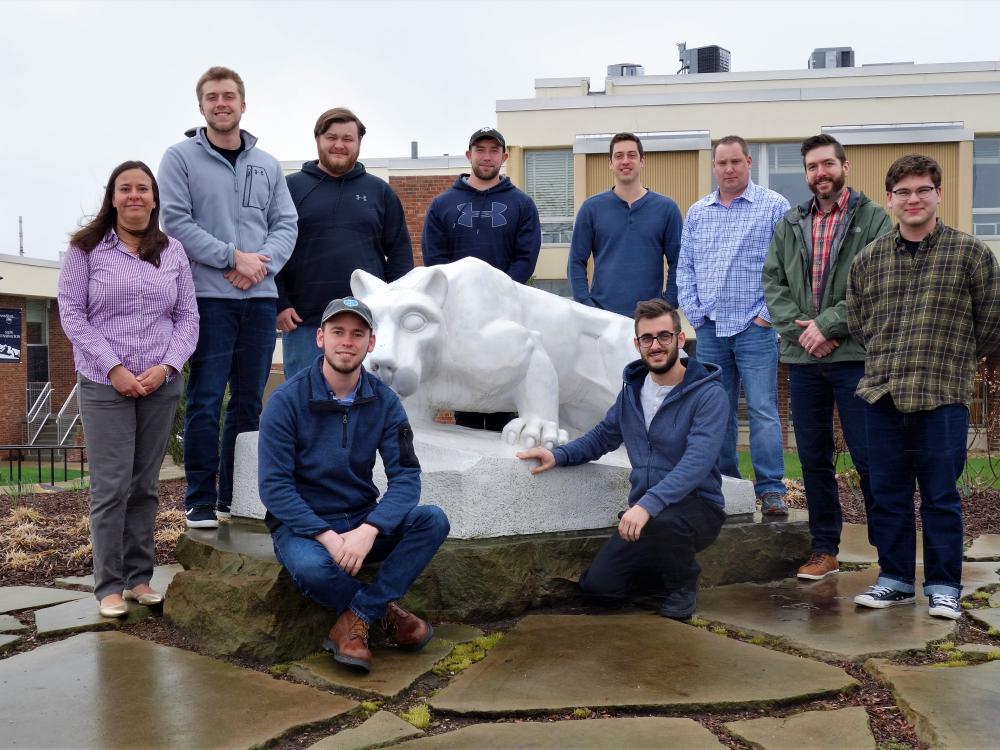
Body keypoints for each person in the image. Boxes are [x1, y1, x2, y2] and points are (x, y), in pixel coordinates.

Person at [259, 297, 449, 672]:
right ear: (320, 338)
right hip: (303, 528)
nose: (347, 341)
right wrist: (327, 536)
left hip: (361, 517)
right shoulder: (286, 402)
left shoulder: (385, 401)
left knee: (433, 521)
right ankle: (385, 614)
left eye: (357, 334)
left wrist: (370, 529)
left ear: (371, 343)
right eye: (338, 332)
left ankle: (356, 618)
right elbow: (275, 488)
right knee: (313, 568)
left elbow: (407, 477)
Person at [848, 154, 1000, 619]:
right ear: (890, 200)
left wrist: (949, 357)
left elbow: (991, 324)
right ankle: (894, 579)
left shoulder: (970, 254)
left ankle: (943, 586)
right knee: (888, 494)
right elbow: (858, 324)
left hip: (942, 396)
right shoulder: (869, 260)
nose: (913, 200)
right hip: (883, 395)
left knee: (940, 496)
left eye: (922, 190)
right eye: (903, 192)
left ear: (937, 194)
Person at [518, 299, 727, 620]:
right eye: (647, 338)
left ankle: (683, 581)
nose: (655, 345)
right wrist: (557, 454)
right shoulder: (632, 391)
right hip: (648, 511)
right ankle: (660, 570)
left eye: (664, 336)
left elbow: (696, 463)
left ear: (680, 339)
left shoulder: (708, 394)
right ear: (637, 344)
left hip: (696, 507)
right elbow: (602, 437)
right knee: (599, 588)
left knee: (666, 522)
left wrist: (645, 506)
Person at [158, 65, 298, 529]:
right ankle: (200, 498)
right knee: (205, 398)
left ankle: (237, 496)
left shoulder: (268, 164)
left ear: (243, 103)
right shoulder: (179, 158)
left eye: (229, 96)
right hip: (208, 298)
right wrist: (231, 258)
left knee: (249, 403)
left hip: (259, 300)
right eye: (212, 97)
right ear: (201, 106)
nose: (222, 103)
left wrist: (260, 264)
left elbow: (286, 224)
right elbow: (175, 222)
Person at [57, 161, 199, 617]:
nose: (134, 196)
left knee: (145, 486)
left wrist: (168, 366)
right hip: (104, 384)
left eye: (143, 188)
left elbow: (188, 318)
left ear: (155, 198)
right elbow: (73, 315)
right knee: (111, 487)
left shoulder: (172, 250)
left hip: (160, 384)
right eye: (125, 189)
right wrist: (114, 367)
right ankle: (109, 587)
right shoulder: (85, 250)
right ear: (112, 197)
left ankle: (140, 578)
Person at [762, 134, 891, 580]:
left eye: (827, 165)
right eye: (812, 167)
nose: (821, 174)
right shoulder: (791, 222)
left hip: (855, 356)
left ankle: (889, 552)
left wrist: (827, 327)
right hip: (803, 361)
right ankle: (824, 549)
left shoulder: (873, 220)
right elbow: (773, 285)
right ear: (807, 173)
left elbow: (877, 286)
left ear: (844, 167)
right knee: (813, 457)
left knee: (869, 454)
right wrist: (805, 332)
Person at [677, 135, 791, 515]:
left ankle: (771, 488)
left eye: (735, 162)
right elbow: (685, 268)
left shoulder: (774, 207)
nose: (728, 169)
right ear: (714, 166)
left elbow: (789, 269)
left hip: (754, 328)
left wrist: (766, 317)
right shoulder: (698, 212)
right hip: (710, 329)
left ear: (748, 162)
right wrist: (695, 315)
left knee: (761, 408)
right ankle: (727, 484)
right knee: (716, 410)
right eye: (721, 163)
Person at [276, 107, 413, 379]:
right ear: (318, 140)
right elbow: (273, 249)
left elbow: (399, 255)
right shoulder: (289, 188)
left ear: (359, 143)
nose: (339, 145)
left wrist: (395, 309)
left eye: (348, 139)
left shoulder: (380, 192)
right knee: (307, 406)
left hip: (367, 323)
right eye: (331, 137)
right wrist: (279, 303)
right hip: (304, 324)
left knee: (365, 408)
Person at [422, 126, 541, 432]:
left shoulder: (522, 205)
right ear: (468, 155)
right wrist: (463, 299)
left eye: (493, 151)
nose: (486, 157)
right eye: (480, 150)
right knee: (468, 400)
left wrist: (499, 295)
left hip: (506, 314)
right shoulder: (442, 205)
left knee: (505, 392)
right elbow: (436, 261)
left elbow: (525, 258)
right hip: (460, 317)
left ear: (504, 156)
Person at [568, 132, 683, 315]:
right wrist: (588, 308)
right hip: (603, 319)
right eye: (619, 156)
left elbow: (679, 262)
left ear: (642, 161)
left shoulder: (667, 209)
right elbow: (576, 262)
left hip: (651, 321)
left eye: (632, 155)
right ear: (610, 163)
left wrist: (668, 305)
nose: (625, 161)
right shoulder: (591, 208)